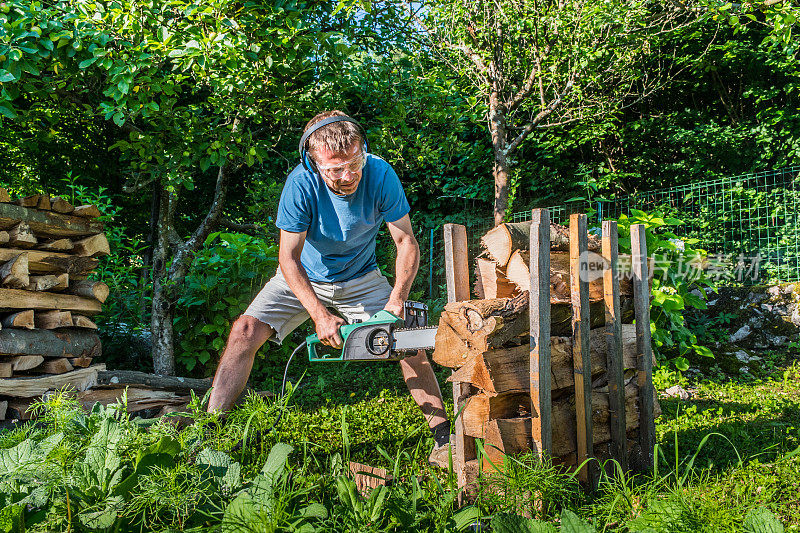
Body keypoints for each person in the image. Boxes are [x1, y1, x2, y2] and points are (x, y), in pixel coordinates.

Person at [208, 110, 452, 465]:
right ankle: (210, 433)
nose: (349, 175)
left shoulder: (380, 174)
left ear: (363, 149)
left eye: (355, 162)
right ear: (312, 162)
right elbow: (288, 260)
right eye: (335, 169)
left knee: (409, 343)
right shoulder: (300, 184)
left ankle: (444, 439)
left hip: (361, 277)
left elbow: (407, 243)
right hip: (302, 277)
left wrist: (397, 302)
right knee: (244, 330)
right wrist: (319, 315)